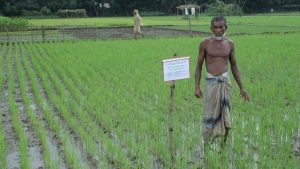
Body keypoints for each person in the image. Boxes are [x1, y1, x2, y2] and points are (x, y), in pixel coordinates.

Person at [195, 16, 250, 143]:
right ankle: (207, 144)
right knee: (209, 114)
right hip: (211, 84)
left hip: (225, 83)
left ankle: (224, 145)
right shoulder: (205, 43)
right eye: (215, 27)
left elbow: (234, 65)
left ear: (226, 28)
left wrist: (242, 88)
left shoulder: (230, 44)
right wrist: (197, 87)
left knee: (226, 114)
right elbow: (198, 66)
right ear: (211, 29)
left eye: (221, 27)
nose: (218, 30)